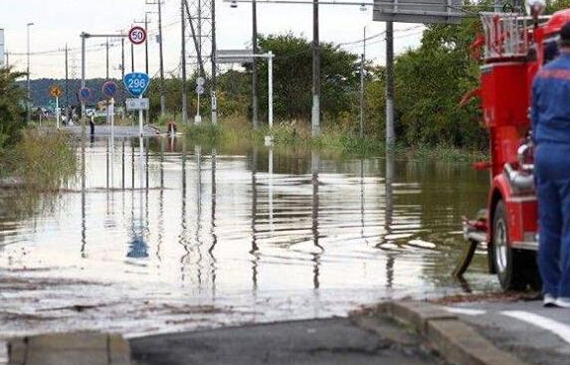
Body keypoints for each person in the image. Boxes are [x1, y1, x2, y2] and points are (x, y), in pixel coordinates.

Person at [532, 21, 570, 308]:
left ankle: (550, 290)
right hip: (567, 153)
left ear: (559, 42)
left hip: (543, 153)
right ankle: (566, 293)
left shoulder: (542, 74)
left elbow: (534, 120)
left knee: (548, 224)